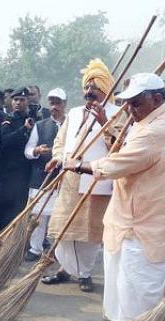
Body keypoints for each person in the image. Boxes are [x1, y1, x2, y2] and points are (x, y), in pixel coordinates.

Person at [70, 73, 165, 321]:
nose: (130, 109)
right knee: (119, 276)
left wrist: (78, 165)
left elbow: (117, 165)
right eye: (127, 103)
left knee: (137, 282)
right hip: (132, 212)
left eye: (136, 103)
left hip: (143, 219)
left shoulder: (158, 129)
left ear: (157, 98)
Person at [42, 59, 119, 293]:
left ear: (105, 89)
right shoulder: (74, 113)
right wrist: (57, 157)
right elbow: (60, 142)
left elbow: (119, 146)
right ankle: (66, 269)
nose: (89, 92)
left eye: (94, 88)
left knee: (90, 232)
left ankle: (84, 273)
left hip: (97, 180)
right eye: (86, 87)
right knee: (64, 229)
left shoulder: (118, 113)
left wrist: (105, 123)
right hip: (69, 179)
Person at [24, 88, 67, 261]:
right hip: (41, 176)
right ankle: (35, 248)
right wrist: (36, 150)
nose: (54, 106)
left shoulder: (73, 125)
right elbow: (27, 150)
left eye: (58, 102)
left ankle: (58, 251)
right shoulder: (40, 126)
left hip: (64, 177)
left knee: (62, 215)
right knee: (38, 215)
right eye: (52, 102)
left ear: (65, 104)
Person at [0, 86, 34, 231]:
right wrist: (24, 129)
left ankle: (17, 237)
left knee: (21, 205)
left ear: (27, 101)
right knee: (6, 204)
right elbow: (6, 142)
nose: (18, 103)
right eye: (15, 99)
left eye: (22, 100)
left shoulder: (33, 119)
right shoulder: (7, 120)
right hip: (8, 171)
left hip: (25, 170)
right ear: (11, 102)